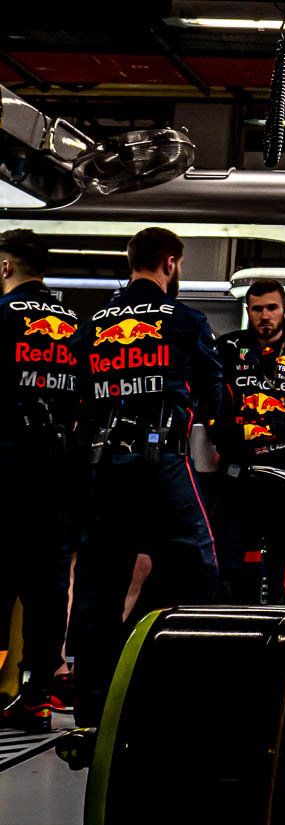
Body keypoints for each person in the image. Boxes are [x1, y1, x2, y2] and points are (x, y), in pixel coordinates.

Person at [68, 227, 222, 728]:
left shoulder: (90, 327)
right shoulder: (185, 320)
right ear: (171, 263)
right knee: (196, 570)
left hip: (102, 469)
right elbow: (216, 398)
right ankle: (167, 694)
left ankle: (92, 710)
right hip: (161, 467)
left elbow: (76, 399)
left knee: (97, 586)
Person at [0, 230, 80, 731]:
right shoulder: (79, 325)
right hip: (61, 469)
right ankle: (37, 699)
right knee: (49, 588)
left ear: (6, 266)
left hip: (6, 464)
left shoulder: (0, 317)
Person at [210, 279, 285, 604]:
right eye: (257, 308)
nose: (265, 315)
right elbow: (214, 412)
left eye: (272, 308)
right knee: (223, 557)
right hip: (239, 469)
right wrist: (241, 432)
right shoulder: (226, 349)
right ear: (248, 310)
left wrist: (248, 429)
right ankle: (218, 630)